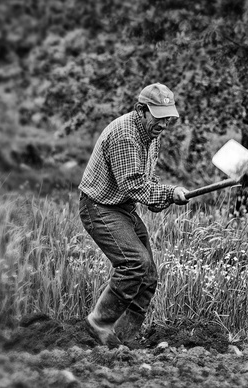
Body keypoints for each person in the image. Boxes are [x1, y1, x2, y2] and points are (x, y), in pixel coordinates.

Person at [78, 82, 190, 348]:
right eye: (159, 117)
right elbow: (133, 185)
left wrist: (163, 197)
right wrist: (169, 192)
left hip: (123, 207)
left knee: (148, 275)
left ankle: (124, 339)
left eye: (168, 119)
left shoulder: (151, 136)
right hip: (100, 207)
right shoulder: (125, 135)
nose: (164, 124)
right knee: (134, 262)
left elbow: (145, 183)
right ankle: (99, 323)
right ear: (141, 110)